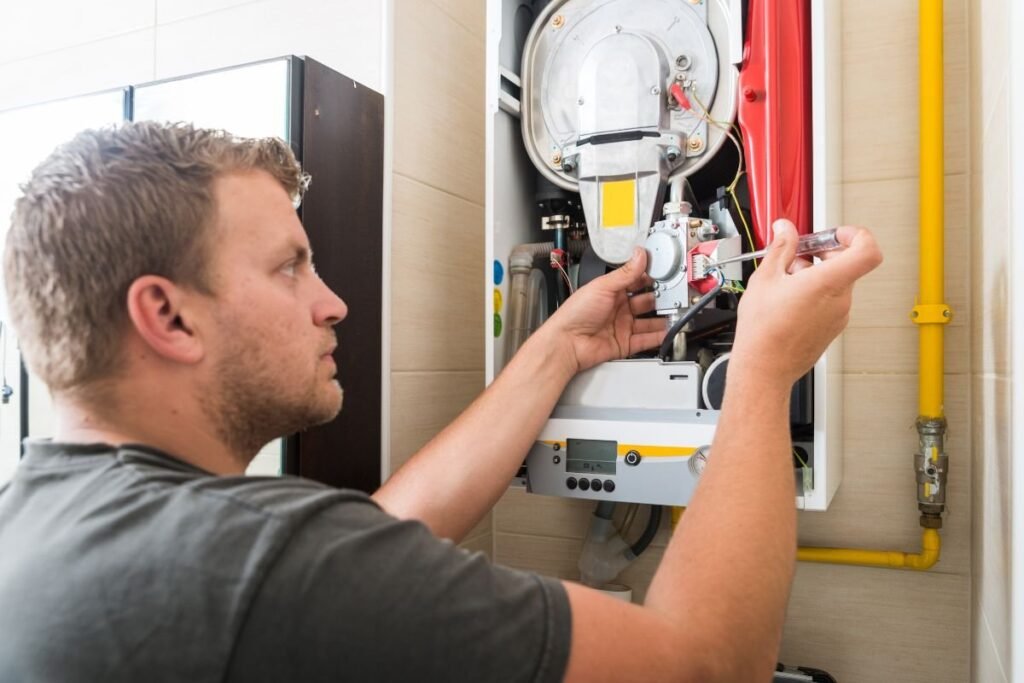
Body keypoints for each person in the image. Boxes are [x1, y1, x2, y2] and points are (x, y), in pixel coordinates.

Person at [0, 121, 882, 682]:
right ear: (166, 314)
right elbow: (710, 668)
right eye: (290, 265)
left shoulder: (46, 521)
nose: (332, 301)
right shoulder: (252, 563)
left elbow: (386, 530)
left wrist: (558, 349)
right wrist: (765, 366)